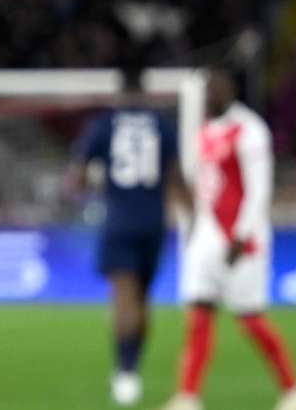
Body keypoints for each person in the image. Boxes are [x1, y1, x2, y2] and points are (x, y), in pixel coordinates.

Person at [160, 68, 296, 410]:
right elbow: (203, 185)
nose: (208, 96)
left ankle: (293, 389)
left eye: (214, 89)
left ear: (230, 90)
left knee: (250, 320)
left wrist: (241, 237)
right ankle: (187, 397)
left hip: (241, 241)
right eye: (206, 90)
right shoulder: (204, 130)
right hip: (206, 237)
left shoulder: (250, 130)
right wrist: (192, 227)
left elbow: (259, 189)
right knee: (198, 315)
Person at [68, 64, 187, 406]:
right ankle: (133, 368)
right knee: (142, 299)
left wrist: (87, 190)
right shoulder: (162, 125)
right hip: (153, 221)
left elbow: (77, 177)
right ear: (145, 92)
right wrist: (191, 213)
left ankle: (124, 373)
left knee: (123, 297)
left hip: (119, 219)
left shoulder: (104, 124)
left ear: (119, 92)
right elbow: (177, 176)